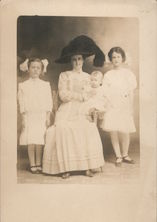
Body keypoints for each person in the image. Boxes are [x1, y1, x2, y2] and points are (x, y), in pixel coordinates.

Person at [42, 35, 105, 178]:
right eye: (74, 59)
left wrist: (90, 104)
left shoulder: (89, 77)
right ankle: (65, 167)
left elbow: (92, 95)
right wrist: (79, 96)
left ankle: (86, 167)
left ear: (83, 60)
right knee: (63, 129)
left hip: (83, 109)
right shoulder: (64, 75)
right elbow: (63, 95)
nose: (77, 62)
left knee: (86, 128)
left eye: (79, 59)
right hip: (66, 109)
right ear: (71, 61)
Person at [101, 47, 137, 166]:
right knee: (114, 130)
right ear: (111, 59)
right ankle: (118, 156)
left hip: (124, 104)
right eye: (114, 57)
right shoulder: (108, 75)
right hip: (112, 104)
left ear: (122, 58)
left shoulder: (128, 74)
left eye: (118, 57)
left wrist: (130, 106)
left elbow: (131, 91)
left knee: (125, 130)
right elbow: (105, 92)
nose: (116, 59)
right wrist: (110, 103)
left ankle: (125, 154)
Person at [18, 58, 53, 173]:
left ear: (41, 70)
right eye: (33, 67)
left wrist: (47, 116)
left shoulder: (45, 85)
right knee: (31, 140)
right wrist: (23, 117)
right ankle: (32, 163)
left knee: (39, 140)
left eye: (38, 68)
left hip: (41, 115)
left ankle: (39, 163)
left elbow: (49, 101)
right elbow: (21, 102)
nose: (35, 70)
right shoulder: (23, 85)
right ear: (28, 69)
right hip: (29, 115)